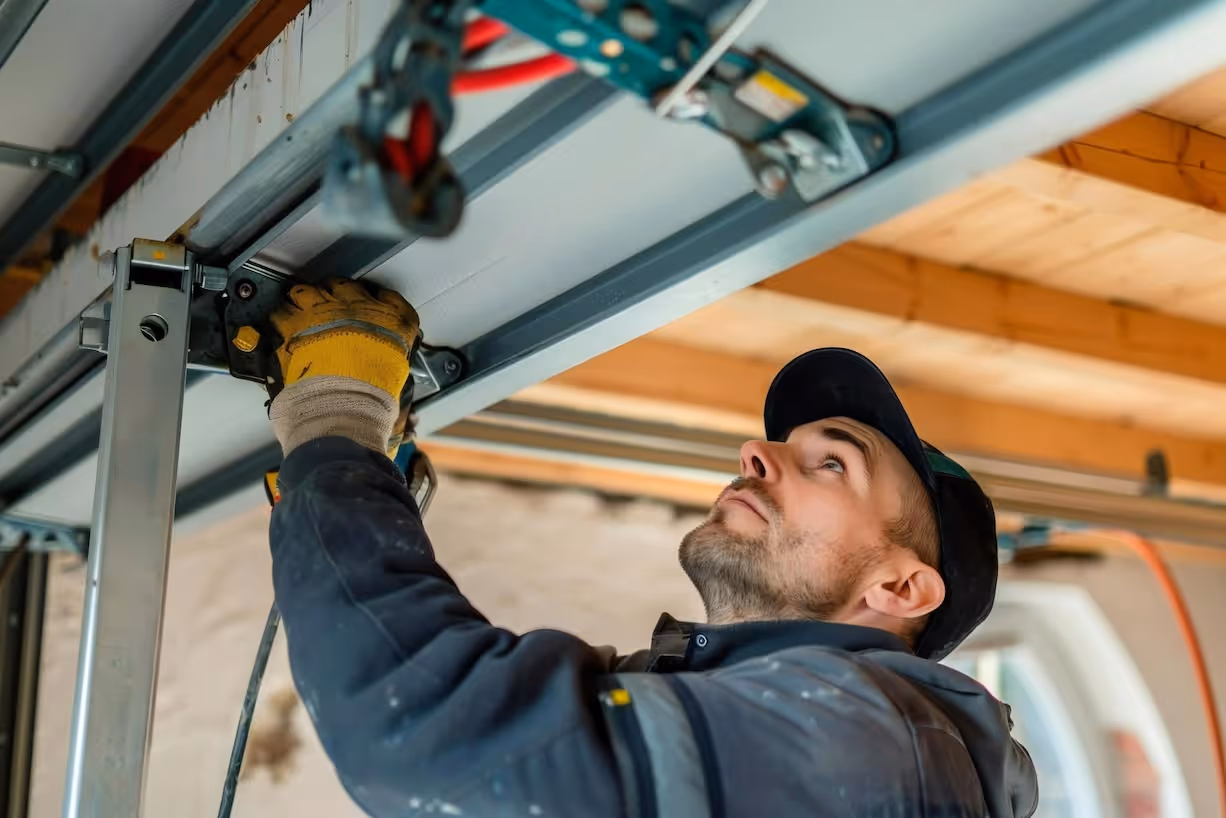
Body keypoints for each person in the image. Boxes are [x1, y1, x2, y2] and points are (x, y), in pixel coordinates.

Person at [265, 279, 1038, 817]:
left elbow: (442, 733)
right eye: (779, 444)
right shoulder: (819, 723)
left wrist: (338, 423)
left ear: (901, 590)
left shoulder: (869, 735)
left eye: (831, 463)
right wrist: (350, 482)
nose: (754, 454)